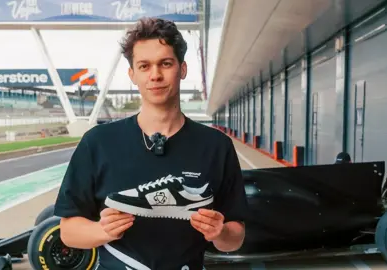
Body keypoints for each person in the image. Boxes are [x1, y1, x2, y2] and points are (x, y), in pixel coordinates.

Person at [53, 17, 248, 270]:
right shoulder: (98, 142)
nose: (155, 75)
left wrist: (219, 232)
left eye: (165, 63)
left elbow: (235, 238)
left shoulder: (217, 146)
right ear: (132, 74)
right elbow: (68, 233)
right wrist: (102, 230)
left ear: (182, 69)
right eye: (144, 66)